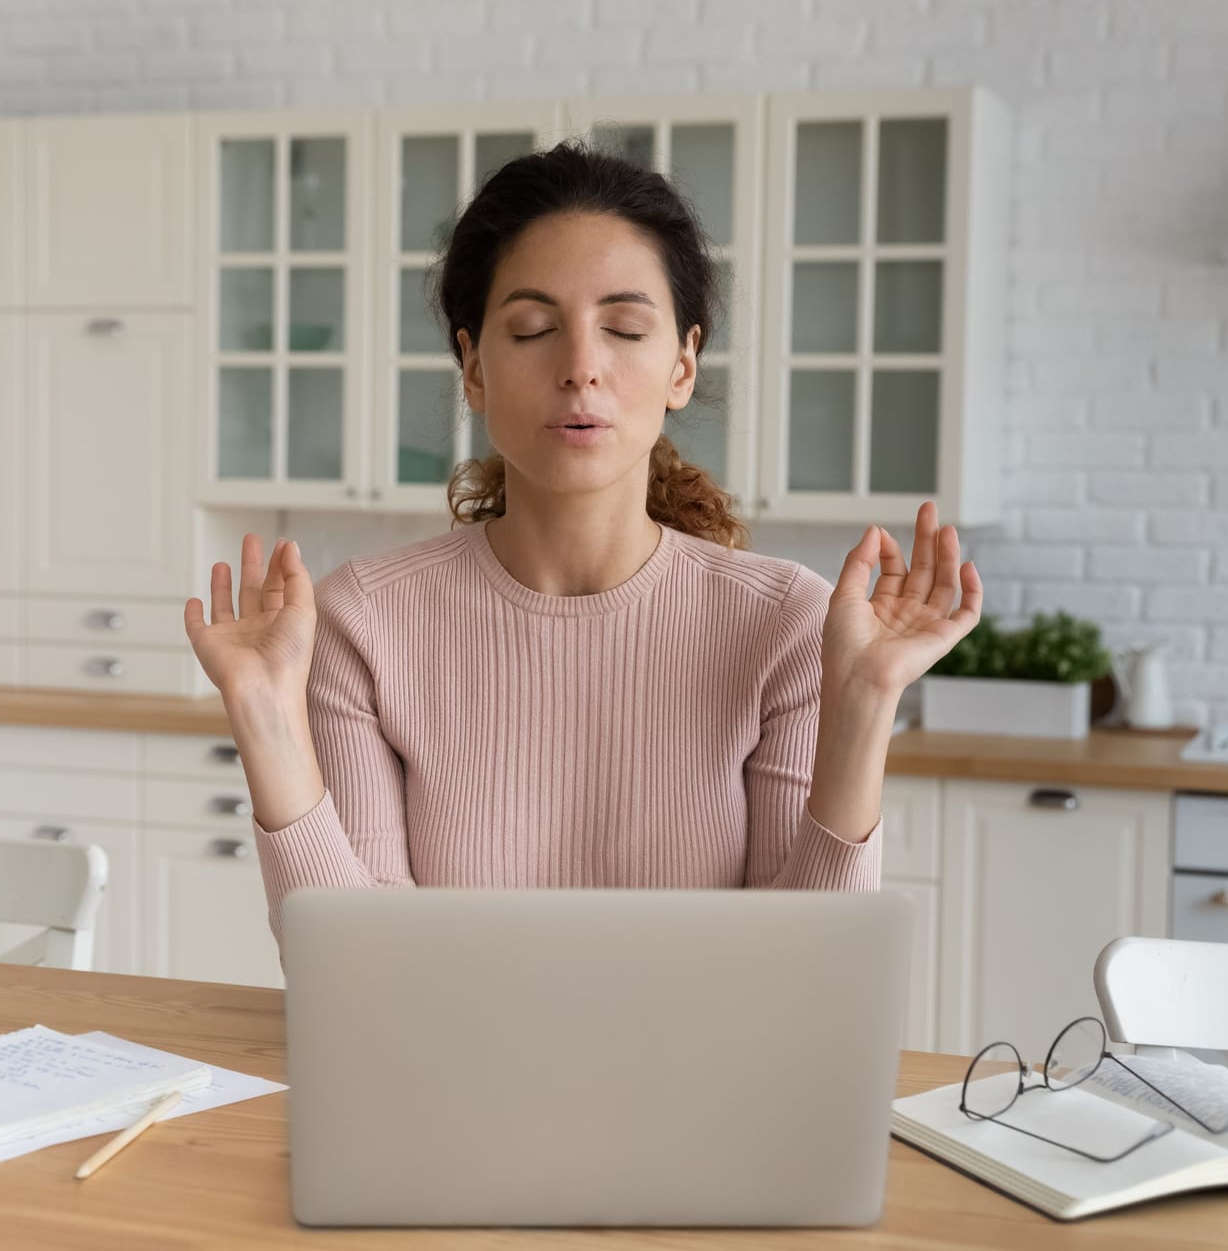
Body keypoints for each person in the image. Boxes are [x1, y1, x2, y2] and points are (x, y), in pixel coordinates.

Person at [184, 142, 981, 949]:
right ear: (473, 367)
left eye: (626, 328)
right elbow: (354, 968)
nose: (581, 368)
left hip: (705, 1075)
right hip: (455, 1072)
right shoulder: (367, 621)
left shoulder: (786, 625)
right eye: (533, 329)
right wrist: (262, 713)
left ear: (683, 365)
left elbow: (812, 975)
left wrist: (867, 701)